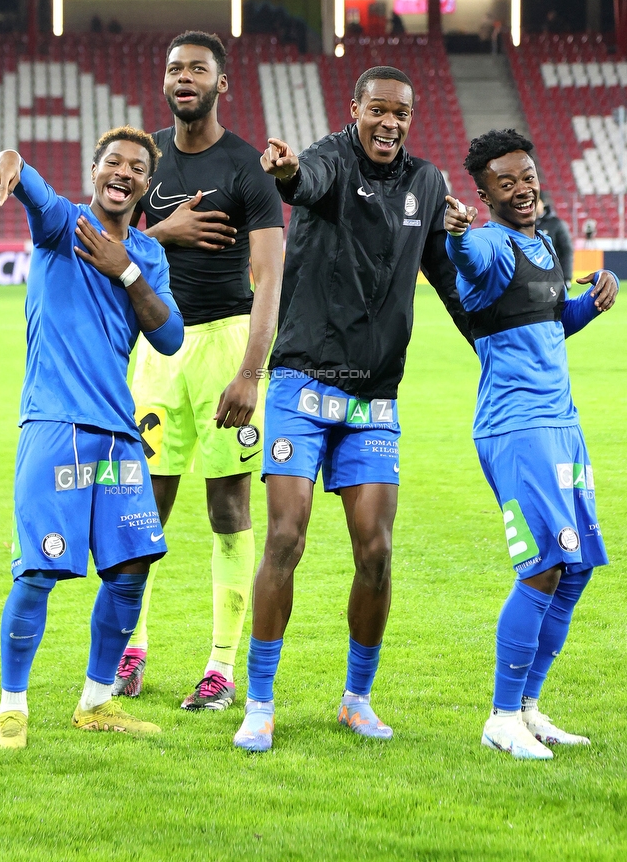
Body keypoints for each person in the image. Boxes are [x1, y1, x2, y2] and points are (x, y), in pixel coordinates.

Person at [233, 65, 474, 752]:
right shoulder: (330, 160)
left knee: (377, 552)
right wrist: (283, 173)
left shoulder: (428, 184)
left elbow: (445, 279)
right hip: (301, 385)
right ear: (355, 109)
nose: (390, 122)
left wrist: (491, 344)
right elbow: (301, 183)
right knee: (286, 538)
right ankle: (259, 702)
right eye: (378, 110)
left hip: (374, 397)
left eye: (402, 112)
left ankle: (356, 700)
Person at [0, 128, 184, 749]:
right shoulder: (62, 226)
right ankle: (12, 706)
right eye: (113, 163)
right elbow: (36, 195)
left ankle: (96, 702)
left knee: (130, 570)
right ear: (94, 169)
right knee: (38, 572)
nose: (123, 173)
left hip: (119, 434)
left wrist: (127, 272)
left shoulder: (149, 256)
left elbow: (171, 336)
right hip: (54, 426)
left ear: (147, 183)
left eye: (136, 168)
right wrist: (12, 159)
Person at [114, 31, 284, 711]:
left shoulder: (246, 167)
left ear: (222, 85)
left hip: (225, 346)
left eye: (198, 69)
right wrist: (164, 233)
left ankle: (220, 668)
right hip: (157, 351)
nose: (185, 78)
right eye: (175, 69)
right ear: (164, 83)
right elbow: (101, 245)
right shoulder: (142, 162)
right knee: (141, 510)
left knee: (227, 509)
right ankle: (130, 650)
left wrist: (249, 373)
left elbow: (270, 275)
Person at [444, 128, 618, 761]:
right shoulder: (486, 243)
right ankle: (499, 716)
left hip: (563, 427)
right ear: (484, 193)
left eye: (527, 175)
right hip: (516, 429)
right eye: (505, 182)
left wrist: (589, 305)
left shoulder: (543, 244)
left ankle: (528, 708)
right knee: (542, 567)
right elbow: (471, 265)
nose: (522, 189)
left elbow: (548, 323)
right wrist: (458, 236)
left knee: (574, 572)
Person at [536, 192, 574, 289]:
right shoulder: (524, 225)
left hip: (552, 278)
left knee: (549, 303)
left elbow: (567, 251)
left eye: (536, 201)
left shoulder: (556, 224)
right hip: (530, 277)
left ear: (543, 203)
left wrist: (566, 277)